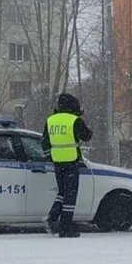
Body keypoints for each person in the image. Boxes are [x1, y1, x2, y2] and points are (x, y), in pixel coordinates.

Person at [42, 93, 92, 238]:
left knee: (62, 192)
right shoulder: (75, 120)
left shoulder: (50, 120)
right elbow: (87, 136)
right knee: (70, 195)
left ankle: (52, 219)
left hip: (57, 163)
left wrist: (50, 156)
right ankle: (65, 227)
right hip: (71, 162)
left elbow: (44, 142)